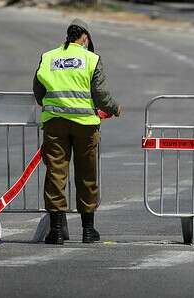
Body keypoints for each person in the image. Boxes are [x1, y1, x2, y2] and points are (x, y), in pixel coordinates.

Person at [33, 18, 120, 245]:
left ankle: (57, 231)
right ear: (85, 38)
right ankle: (88, 231)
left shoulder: (49, 57)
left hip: (55, 124)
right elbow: (100, 94)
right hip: (85, 126)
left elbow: (38, 91)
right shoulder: (91, 59)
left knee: (56, 174)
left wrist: (55, 104)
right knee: (87, 175)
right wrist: (114, 108)